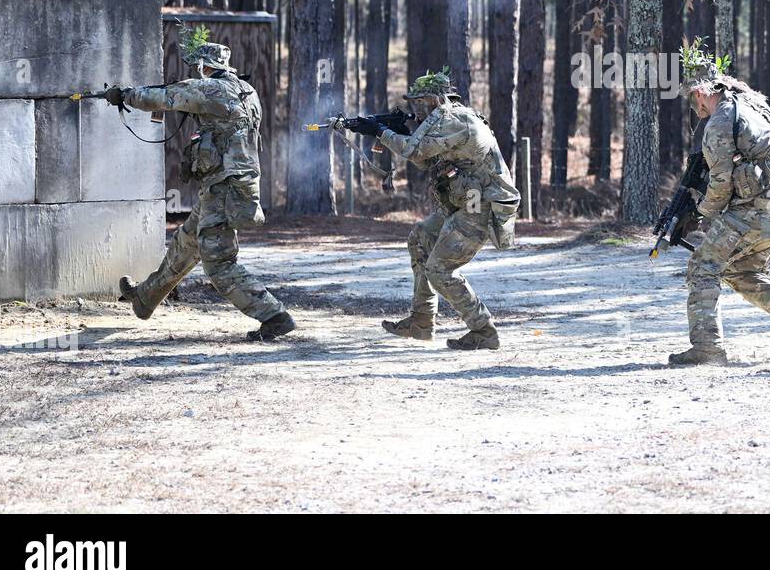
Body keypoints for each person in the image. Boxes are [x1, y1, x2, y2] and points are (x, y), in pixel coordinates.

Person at [113, 27, 294, 342]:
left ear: (204, 66)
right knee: (186, 243)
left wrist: (125, 95)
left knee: (219, 263)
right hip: (229, 185)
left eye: (199, 67)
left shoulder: (212, 89)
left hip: (225, 188)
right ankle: (144, 298)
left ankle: (274, 315)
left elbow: (165, 97)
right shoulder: (246, 91)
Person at [339, 68, 520, 350]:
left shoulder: (457, 120)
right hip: (464, 203)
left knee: (440, 270)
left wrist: (381, 132)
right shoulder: (445, 120)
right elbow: (424, 160)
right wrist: (395, 132)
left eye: (419, 104)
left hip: (481, 205)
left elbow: (416, 152)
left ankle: (483, 330)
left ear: (434, 100)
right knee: (421, 237)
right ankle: (421, 321)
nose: (416, 110)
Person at [667, 46, 770, 366]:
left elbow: (720, 185)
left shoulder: (720, 123)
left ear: (704, 90)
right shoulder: (750, 102)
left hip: (753, 211)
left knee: (702, 267)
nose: (695, 105)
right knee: (739, 270)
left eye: (694, 96)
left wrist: (699, 214)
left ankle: (707, 348)